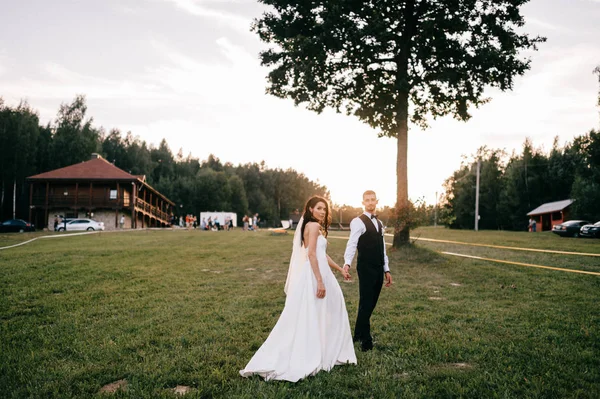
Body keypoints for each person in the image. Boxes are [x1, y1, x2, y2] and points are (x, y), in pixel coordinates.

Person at [240, 196, 356, 382]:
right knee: (327, 311)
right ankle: (323, 351)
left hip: (318, 272)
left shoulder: (308, 226)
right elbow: (311, 254)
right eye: (319, 208)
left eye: (325, 209)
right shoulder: (314, 226)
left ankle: (323, 347)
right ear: (310, 209)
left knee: (319, 312)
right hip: (316, 275)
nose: (322, 212)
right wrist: (319, 281)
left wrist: (340, 269)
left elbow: (321, 254)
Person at [343, 190, 393, 351]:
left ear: (376, 201)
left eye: (373, 200)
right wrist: (347, 263)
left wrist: (387, 269)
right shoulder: (358, 222)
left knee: (370, 303)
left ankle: (358, 333)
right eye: (367, 200)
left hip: (379, 268)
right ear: (363, 202)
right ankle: (366, 340)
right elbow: (352, 244)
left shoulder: (379, 223)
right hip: (365, 268)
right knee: (366, 303)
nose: (370, 202)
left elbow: (382, 248)